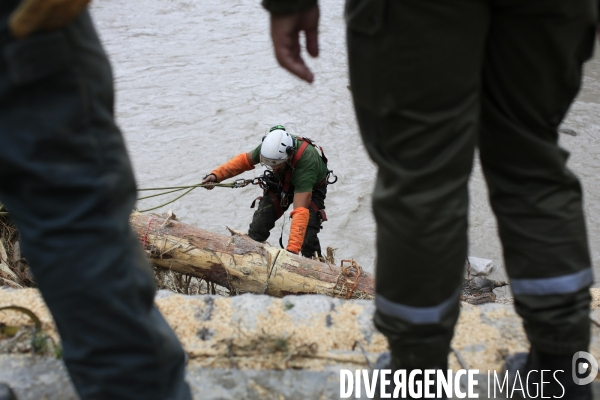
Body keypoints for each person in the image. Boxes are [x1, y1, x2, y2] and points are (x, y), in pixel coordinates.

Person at [261, 0, 597, 398]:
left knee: (422, 179)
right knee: (534, 165)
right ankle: (560, 368)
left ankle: (416, 372)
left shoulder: (303, 161)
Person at [0, 1, 191, 399]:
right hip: (24, 24)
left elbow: (300, 208)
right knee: (74, 214)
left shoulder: (304, 166)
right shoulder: (270, 154)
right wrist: (216, 176)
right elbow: (245, 161)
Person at [202, 125, 332, 257]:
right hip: (282, 181)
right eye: (270, 166)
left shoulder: (307, 161)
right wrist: (216, 175)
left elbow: (300, 211)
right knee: (259, 227)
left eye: (276, 166)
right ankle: (250, 259)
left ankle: (313, 263)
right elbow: (244, 161)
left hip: (311, 187)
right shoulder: (269, 147)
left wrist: (292, 252)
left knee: (307, 238)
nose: (273, 169)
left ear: (289, 155)